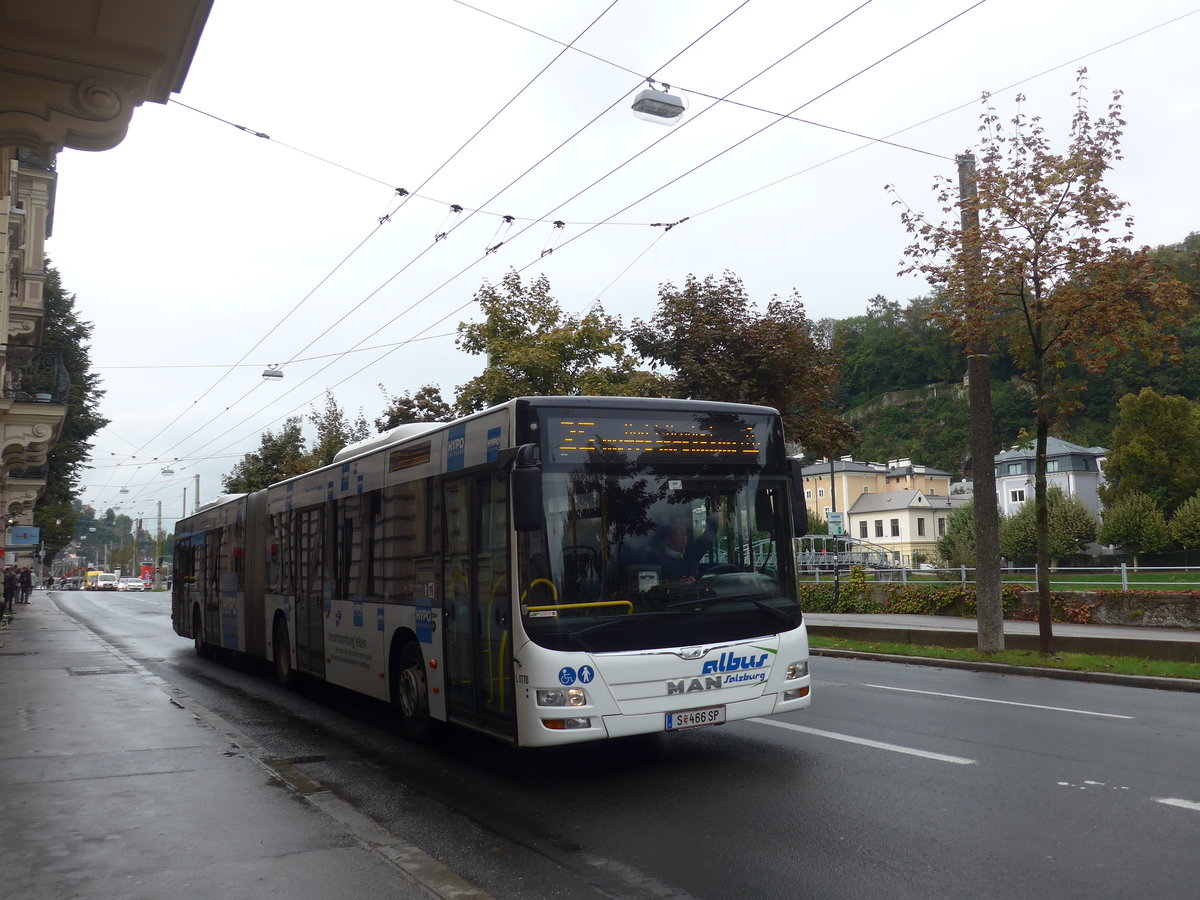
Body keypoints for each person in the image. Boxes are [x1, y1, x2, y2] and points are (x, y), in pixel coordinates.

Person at [652, 514, 718, 583]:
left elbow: (708, 536)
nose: (684, 537)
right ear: (668, 539)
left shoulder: (691, 554)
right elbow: (656, 583)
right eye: (679, 533)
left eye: (685, 534)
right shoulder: (658, 561)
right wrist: (679, 582)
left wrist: (714, 514)